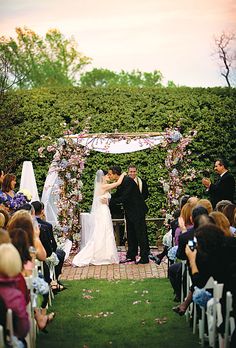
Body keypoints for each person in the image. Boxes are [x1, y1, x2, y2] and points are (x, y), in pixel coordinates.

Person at [72, 170, 125, 267]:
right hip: (103, 212)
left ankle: (106, 254)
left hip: (104, 210)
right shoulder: (102, 186)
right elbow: (118, 183)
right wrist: (123, 174)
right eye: (107, 175)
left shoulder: (102, 186)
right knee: (103, 232)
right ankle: (100, 255)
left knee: (106, 232)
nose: (109, 176)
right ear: (103, 177)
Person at [108, 166, 150, 264]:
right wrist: (108, 196)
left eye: (110, 174)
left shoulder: (127, 181)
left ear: (115, 174)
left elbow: (124, 197)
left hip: (137, 211)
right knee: (131, 234)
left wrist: (109, 201)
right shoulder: (122, 181)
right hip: (130, 211)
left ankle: (144, 257)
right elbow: (118, 194)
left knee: (141, 234)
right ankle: (131, 255)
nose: (109, 176)